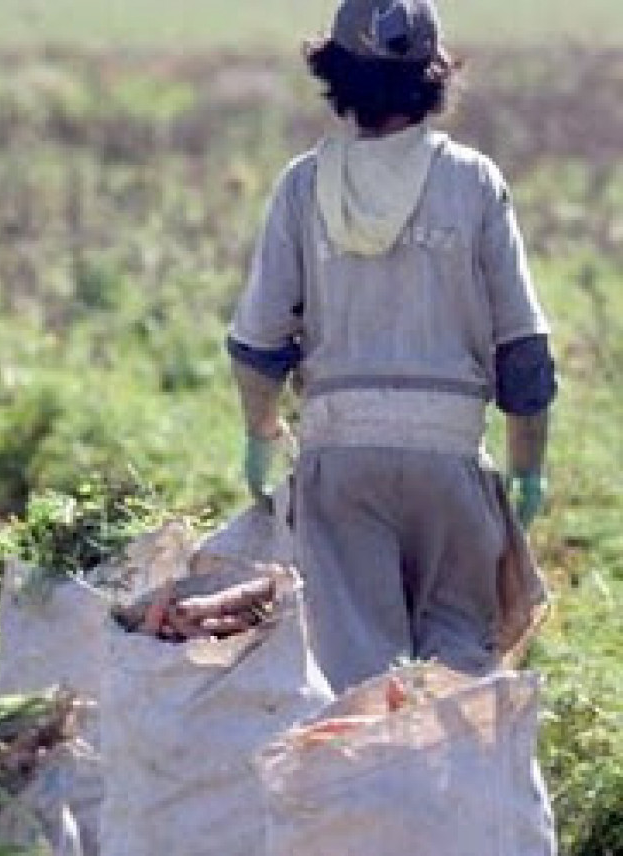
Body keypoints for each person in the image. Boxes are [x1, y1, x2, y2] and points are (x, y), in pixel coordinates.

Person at [227, 0, 557, 691]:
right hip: (450, 461)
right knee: (459, 671)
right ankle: (463, 790)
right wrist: (527, 468)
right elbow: (523, 355)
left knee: (359, 681)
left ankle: (373, 795)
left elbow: (258, 343)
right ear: (432, 76)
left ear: (336, 74)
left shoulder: (303, 185)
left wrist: (262, 432)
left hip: (341, 464)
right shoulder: (472, 181)